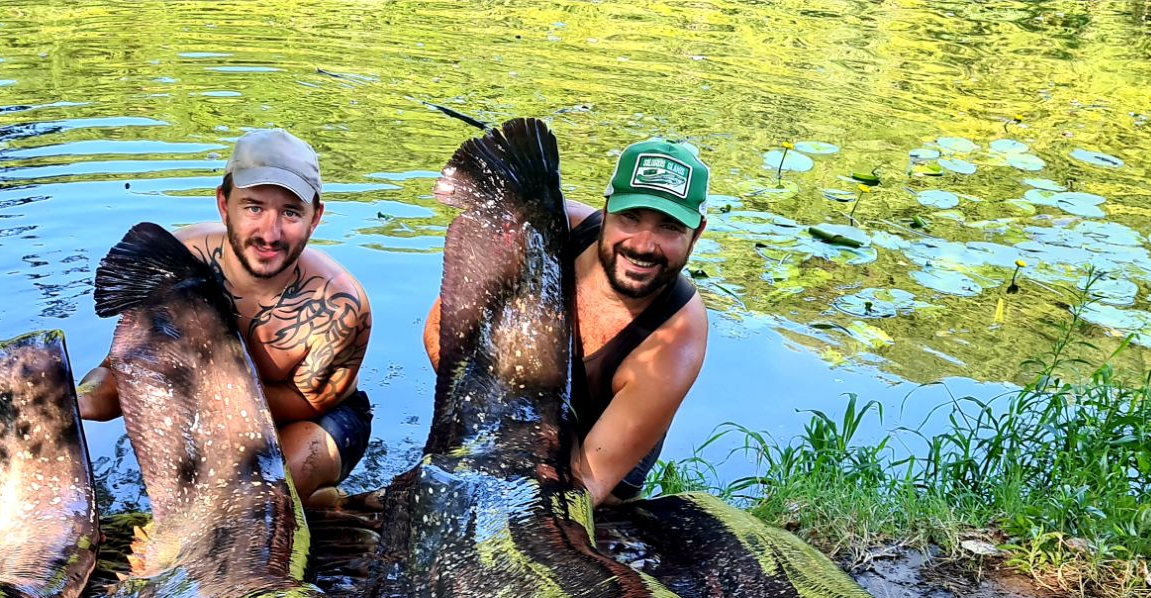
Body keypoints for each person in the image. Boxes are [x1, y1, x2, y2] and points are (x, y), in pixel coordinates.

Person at [78, 128, 373, 507]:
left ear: (315, 218)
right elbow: (124, 369)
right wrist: (76, 401)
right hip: (202, 407)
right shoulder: (177, 262)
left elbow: (305, 402)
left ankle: (314, 500)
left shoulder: (339, 305)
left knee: (268, 492)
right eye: (254, 207)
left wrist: (192, 386)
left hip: (313, 420)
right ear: (223, 204)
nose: (270, 232)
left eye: (290, 212)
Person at [424, 138, 710, 505]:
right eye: (630, 218)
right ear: (606, 211)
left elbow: (588, 484)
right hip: (504, 407)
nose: (643, 244)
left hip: (599, 444)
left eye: (669, 227)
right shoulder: (548, 231)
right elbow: (437, 332)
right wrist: (490, 419)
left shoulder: (676, 338)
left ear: (696, 233)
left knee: (576, 513)